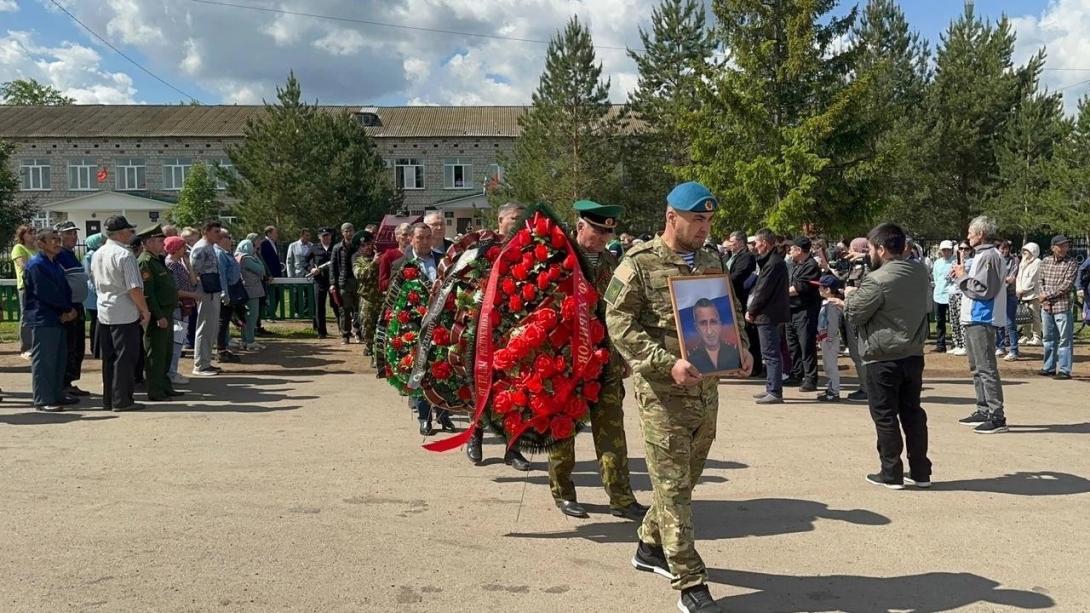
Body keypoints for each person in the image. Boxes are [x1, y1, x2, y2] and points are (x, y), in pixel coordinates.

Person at [606, 182, 752, 613]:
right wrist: (662, 361)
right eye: (697, 220)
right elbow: (618, 323)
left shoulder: (710, 258)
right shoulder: (638, 263)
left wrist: (740, 347)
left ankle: (649, 546)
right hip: (663, 396)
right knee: (673, 489)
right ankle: (691, 582)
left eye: (708, 220)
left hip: (706, 391)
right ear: (672, 218)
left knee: (683, 481)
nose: (705, 228)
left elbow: (730, 310)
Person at [546, 200, 647, 522]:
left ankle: (621, 497)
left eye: (607, 233)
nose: (603, 238)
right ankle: (563, 493)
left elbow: (620, 312)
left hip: (606, 364)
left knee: (612, 433)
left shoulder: (612, 262)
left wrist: (625, 355)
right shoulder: (558, 260)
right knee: (563, 432)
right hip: (566, 365)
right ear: (580, 226)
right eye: (598, 231)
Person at [837, 223, 931, 489]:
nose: (868, 254)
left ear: (880, 248)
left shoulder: (878, 279)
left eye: (870, 249)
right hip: (912, 353)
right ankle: (920, 470)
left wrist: (851, 297)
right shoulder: (919, 270)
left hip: (883, 356)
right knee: (912, 413)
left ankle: (891, 472)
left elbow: (855, 314)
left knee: (885, 415)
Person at [464, 203, 532, 472]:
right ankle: (475, 437)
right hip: (484, 330)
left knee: (515, 389)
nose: (518, 223)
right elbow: (467, 283)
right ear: (500, 220)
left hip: (516, 329)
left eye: (521, 219)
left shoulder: (530, 248)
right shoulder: (484, 249)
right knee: (481, 385)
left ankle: (512, 448)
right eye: (514, 218)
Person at [954, 216, 1009, 434]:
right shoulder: (980, 255)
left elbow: (985, 290)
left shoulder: (990, 256)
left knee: (986, 368)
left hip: (983, 317)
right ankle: (983, 407)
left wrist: (963, 278)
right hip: (973, 316)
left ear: (980, 234)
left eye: (970, 233)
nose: (968, 237)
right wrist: (962, 277)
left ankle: (997, 416)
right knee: (976, 367)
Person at [92, 215, 151, 411]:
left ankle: (109, 398)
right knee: (125, 357)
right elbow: (134, 288)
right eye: (128, 230)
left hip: (104, 308)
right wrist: (144, 310)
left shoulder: (98, 253)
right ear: (120, 233)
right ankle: (122, 400)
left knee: (109, 357)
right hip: (124, 310)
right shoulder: (124, 255)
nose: (130, 233)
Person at [24, 229, 79, 412]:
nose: (57, 243)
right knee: (45, 360)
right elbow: (45, 292)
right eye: (52, 240)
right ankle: (43, 399)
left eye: (57, 239)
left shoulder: (54, 263)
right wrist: (65, 309)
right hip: (44, 318)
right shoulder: (36, 265)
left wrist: (70, 309)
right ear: (40, 243)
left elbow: (64, 290)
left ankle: (56, 394)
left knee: (59, 358)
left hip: (59, 318)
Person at [137, 225, 183, 402]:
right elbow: (148, 294)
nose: (162, 244)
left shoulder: (157, 259)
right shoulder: (145, 262)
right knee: (155, 353)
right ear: (148, 243)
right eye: (158, 241)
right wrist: (158, 315)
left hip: (167, 312)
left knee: (166, 352)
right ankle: (155, 390)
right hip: (159, 315)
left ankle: (164, 386)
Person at [746, 228, 790, 405]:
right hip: (768, 314)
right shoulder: (771, 262)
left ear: (764, 243)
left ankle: (775, 391)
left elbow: (763, 291)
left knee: (771, 354)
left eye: (756, 243)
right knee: (769, 353)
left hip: (768, 314)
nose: (755, 246)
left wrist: (752, 310)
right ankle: (771, 386)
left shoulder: (773, 263)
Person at [53, 221, 90, 397]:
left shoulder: (71, 254)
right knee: (69, 346)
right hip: (68, 308)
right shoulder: (58, 255)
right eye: (69, 233)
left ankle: (69, 381)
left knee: (78, 346)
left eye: (74, 233)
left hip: (77, 306)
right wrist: (66, 308)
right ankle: (63, 383)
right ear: (59, 236)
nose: (74, 237)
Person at [1036, 235, 1078, 380]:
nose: (1064, 248)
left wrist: (1047, 295)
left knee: (1065, 339)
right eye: (1061, 246)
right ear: (1053, 247)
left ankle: (1065, 370)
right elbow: (1040, 281)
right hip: (1046, 307)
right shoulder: (1045, 262)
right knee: (1048, 338)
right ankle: (1049, 367)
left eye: (1066, 245)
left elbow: (1066, 286)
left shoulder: (1071, 263)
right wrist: (1044, 299)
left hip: (1062, 306)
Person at [784, 236, 821, 391]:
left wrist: (779, 294)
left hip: (805, 310)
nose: (790, 251)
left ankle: (811, 379)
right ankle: (797, 373)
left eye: (792, 248)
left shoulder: (811, 265)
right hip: (791, 309)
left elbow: (799, 288)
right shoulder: (793, 264)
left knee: (806, 345)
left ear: (799, 250)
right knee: (793, 344)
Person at [190, 221, 223, 376]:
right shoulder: (201, 248)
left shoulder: (210, 247)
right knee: (204, 326)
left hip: (212, 289)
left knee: (211, 327)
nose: (219, 234)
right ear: (206, 231)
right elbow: (194, 272)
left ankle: (206, 361)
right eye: (216, 231)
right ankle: (200, 364)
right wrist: (199, 291)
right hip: (205, 290)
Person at [164, 236, 198, 386]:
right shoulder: (171, 265)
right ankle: (171, 373)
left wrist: (189, 265)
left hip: (184, 308)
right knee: (177, 341)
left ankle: (172, 371)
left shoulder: (180, 263)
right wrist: (194, 295)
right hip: (177, 308)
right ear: (176, 249)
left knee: (179, 339)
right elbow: (176, 291)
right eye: (183, 247)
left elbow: (193, 282)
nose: (186, 250)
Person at [686, 298, 741, 373]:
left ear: (720, 324)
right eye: (703, 323)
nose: (709, 331)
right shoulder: (689, 358)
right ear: (697, 328)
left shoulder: (736, 352)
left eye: (713, 322)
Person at [814, 274, 844, 402]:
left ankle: (834, 391)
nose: (818, 289)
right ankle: (831, 387)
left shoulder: (832, 304)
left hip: (830, 339)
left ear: (828, 289)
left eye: (821, 287)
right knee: (827, 365)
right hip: (825, 338)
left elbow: (833, 324)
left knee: (831, 366)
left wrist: (829, 339)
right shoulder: (827, 302)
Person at [215, 230, 243, 362]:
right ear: (221, 239)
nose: (231, 240)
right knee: (222, 321)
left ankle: (223, 348)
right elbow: (222, 276)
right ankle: (221, 350)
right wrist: (224, 294)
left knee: (225, 322)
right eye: (229, 237)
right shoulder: (220, 254)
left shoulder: (226, 253)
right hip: (226, 291)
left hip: (232, 289)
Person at [351, 232, 380, 358]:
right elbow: (361, 275)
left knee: (382, 328)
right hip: (367, 299)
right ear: (359, 248)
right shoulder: (358, 260)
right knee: (368, 327)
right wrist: (374, 263)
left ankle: (377, 353)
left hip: (383, 298)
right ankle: (370, 348)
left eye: (369, 244)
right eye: (363, 245)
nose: (367, 247)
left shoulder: (380, 256)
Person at [330, 223, 359, 344]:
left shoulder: (358, 246)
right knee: (344, 310)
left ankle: (358, 332)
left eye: (351, 230)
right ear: (342, 233)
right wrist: (332, 283)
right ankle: (345, 335)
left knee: (358, 309)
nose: (349, 233)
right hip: (344, 282)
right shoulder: (337, 248)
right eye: (346, 231)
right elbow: (333, 266)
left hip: (357, 281)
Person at [11, 224, 38, 358]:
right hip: (25, 286)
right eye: (29, 233)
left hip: (38, 286)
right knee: (26, 315)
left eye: (34, 233)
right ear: (22, 235)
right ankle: (26, 347)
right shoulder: (18, 248)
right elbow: (23, 265)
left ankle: (36, 344)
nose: (33, 235)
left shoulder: (36, 249)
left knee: (36, 315)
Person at [994, 240, 1021, 360]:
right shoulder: (995, 260)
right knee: (998, 322)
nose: (1003, 251)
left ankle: (1014, 350)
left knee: (1010, 323)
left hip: (1009, 295)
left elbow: (1011, 278)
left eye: (1005, 248)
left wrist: (1001, 280)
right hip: (997, 295)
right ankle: (1000, 346)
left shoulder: (1014, 260)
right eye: (1001, 248)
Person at [307, 227, 336, 338]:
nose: (326, 238)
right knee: (319, 306)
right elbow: (305, 262)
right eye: (323, 236)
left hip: (333, 280)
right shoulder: (314, 248)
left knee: (336, 305)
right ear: (319, 237)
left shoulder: (335, 247)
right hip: (319, 281)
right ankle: (321, 332)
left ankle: (343, 331)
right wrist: (311, 269)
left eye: (328, 235)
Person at [947, 242, 973, 357]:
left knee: (963, 320)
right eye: (960, 248)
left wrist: (961, 265)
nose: (963, 251)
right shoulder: (954, 262)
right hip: (953, 292)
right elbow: (948, 277)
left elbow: (966, 276)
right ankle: (957, 343)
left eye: (966, 248)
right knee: (954, 319)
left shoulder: (972, 262)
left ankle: (965, 345)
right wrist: (951, 273)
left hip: (963, 293)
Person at [931, 240, 957, 353]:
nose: (946, 252)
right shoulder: (937, 263)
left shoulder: (955, 262)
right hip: (939, 295)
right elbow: (936, 278)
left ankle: (956, 343)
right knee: (940, 321)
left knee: (954, 320)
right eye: (944, 250)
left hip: (951, 294)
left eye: (948, 250)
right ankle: (940, 344)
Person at [83, 233, 105, 359]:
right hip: (93, 295)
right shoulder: (89, 256)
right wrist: (98, 292)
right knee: (95, 322)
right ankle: (94, 347)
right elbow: (90, 276)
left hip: (97, 294)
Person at [1016, 242, 1042, 347]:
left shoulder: (1037, 262)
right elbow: (1019, 277)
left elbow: (1033, 279)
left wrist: (1023, 289)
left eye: (1027, 251)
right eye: (1024, 251)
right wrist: (1018, 289)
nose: (1025, 253)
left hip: (1033, 294)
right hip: (1022, 294)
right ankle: (1026, 335)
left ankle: (1037, 337)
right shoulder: (1023, 262)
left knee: (1035, 315)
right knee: (1024, 315)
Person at [285, 228, 313, 317]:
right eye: (306, 235)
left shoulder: (312, 245)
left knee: (309, 293)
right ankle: (297, 311)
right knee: (296, 293)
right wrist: (290, 275)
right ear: (301, 236)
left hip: (309, 273)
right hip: (297, 273)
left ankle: (307, 311)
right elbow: (289, 261)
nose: (308, 237)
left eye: (309, 235)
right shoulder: (293, 245)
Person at [378, 223, 412, 293]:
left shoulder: (419, 254)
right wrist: (398, 278)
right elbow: (382, 285)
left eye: (411, 234)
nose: (408, 238)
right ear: (396, 237)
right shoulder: (388, 256)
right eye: (405, 234)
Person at [259, 225, 282, 324]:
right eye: (275, 233)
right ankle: (268, 314)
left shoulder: (274, 243)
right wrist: (267, 274)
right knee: (269, 294)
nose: (277, 235)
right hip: (269, 275)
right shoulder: (264, 243)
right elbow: (263, 260)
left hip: (276, 274)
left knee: (277, 294)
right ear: (269, 233)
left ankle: (272, 312)